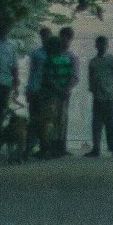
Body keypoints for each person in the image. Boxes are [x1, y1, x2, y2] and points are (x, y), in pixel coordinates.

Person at [84, 34, 113, 159]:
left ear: (107, 46)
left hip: (110, 96)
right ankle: (97, 148)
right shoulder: (93, 62)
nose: (102, 46)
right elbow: (90, 79)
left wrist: (108, 85)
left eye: (104, 44)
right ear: (96, 46)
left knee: (111, 124)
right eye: (100, 44)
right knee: (97, 124)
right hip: (99, 97)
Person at [46, 27, 80, 157]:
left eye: (66, 37)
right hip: (52, 91)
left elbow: (75, 77)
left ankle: (61, 146)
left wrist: (66, 88)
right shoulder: (52, 54)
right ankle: (50, 146)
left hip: (63, 92)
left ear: (70, 39)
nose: (64, 40)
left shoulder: (72, 56)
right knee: (51, 118)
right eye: (62, 37)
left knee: (62, 118)